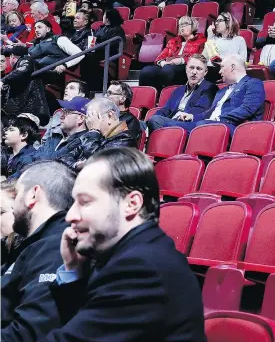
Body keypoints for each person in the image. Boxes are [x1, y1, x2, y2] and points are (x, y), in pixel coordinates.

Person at [41, 148, 206, 341]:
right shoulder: (129, 254)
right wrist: (74, 270)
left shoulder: (141, 267)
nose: (70, 216)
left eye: (84, 202)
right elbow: (81, 324)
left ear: (131, 203)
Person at [1, 161, 76, 341]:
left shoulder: (56, 246)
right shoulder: (34, 245)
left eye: (18, 194)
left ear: (33, 194)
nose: (13, 207)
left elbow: (30, 332)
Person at [181, 54, 265, 135]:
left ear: (232, 67)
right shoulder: (222, 91)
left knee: (200, 125)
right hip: (208, 124)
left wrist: (219, 119)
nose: (219, 71)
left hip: (231, 128)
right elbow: (210, 112)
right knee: (170, 123)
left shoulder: (253, 83)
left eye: (222, 67)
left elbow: (247, 109)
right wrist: (192, 116)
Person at [147, 54, 217, 133]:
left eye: (199, 69)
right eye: (191, 67)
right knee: (139, 124)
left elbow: (199, 110)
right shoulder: (178, 90)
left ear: (205, 72)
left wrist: (156, 120)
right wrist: (148, 122)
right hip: (169, 122)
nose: (194, 72)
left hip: (186, 125)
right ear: (186, 68)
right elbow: (165, 110)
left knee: (155, 120)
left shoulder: (210, 88)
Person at [139, 16, 206, 90]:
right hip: (167, 65)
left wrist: (181, 60)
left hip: (186, 66)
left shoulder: (201, 40)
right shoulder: (173, 41)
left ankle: (167, 95)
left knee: (168, 70)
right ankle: (152, 96)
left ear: (193, 26)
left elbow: (200, 57)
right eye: (180, 26)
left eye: (185, 25)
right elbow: (161, 56)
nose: (182, 28)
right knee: (146, 71)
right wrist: (162, 63)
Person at [35, 97, 102, 169]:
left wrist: (45, 157)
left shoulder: (84, 141)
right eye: (63, 111)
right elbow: (35, 156)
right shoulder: (56, 135)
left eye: (67, 112)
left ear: (81, 118)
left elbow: (55, 161)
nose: (61, 116)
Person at [0, 46, 50, 124]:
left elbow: (24, 69)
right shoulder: (15, 73)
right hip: (26, 111)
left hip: (33, 112)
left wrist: (3, 81)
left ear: (12, 56)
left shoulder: (26, 60)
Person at [202, 13, 247, 81]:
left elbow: (242, 61)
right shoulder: (213, 39)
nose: (216, 23)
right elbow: (204, 58)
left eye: (220, 20)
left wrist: (223, 63)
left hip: (227, 69)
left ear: (228, 23)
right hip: (210, 69)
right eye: (216, 21)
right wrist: (210, 36)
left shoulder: (239, 40)